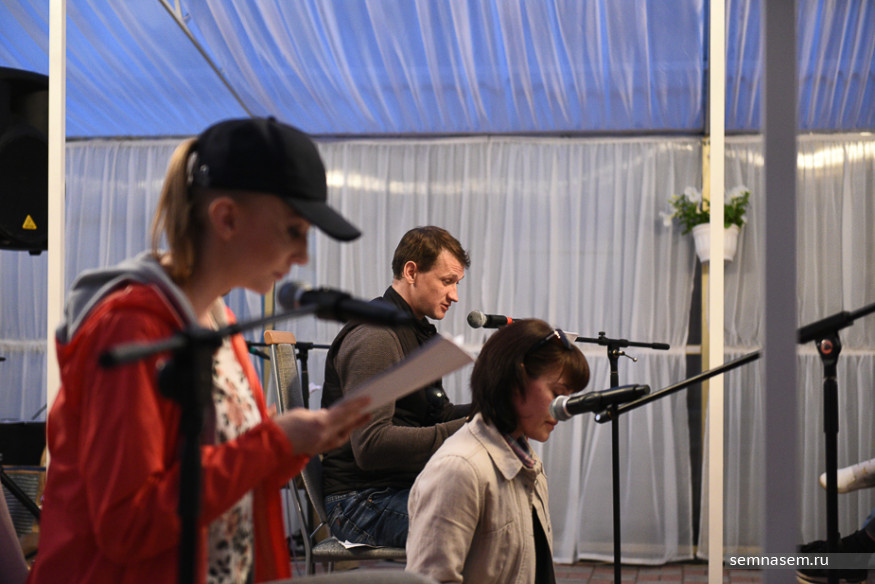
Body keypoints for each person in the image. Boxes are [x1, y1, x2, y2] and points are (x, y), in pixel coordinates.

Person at [27, 117, 371, 584]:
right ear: (226, 218)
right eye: (293, 230)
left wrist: (297, 443)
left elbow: (231, 477)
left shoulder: (219, 323)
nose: (303, 257)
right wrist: (274, 442)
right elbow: (128, 525)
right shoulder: (131, 330)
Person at [406, 319, 591, 584]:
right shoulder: (458, 469)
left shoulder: (528, 461)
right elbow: (431, 578)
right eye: (557, 393)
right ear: (516, 380)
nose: (564, 410)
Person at [320, 226, 472, 548]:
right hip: (358, 502)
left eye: (457, 284)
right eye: (447, 281)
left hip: (395, 488)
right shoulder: (376, 336)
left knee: (498, 505)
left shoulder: (417, 332)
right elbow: (371, 445)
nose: (455, 295)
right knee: (479, 525)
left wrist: (496, 406)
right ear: (411, 272)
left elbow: (437, 414)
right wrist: (471, 427)